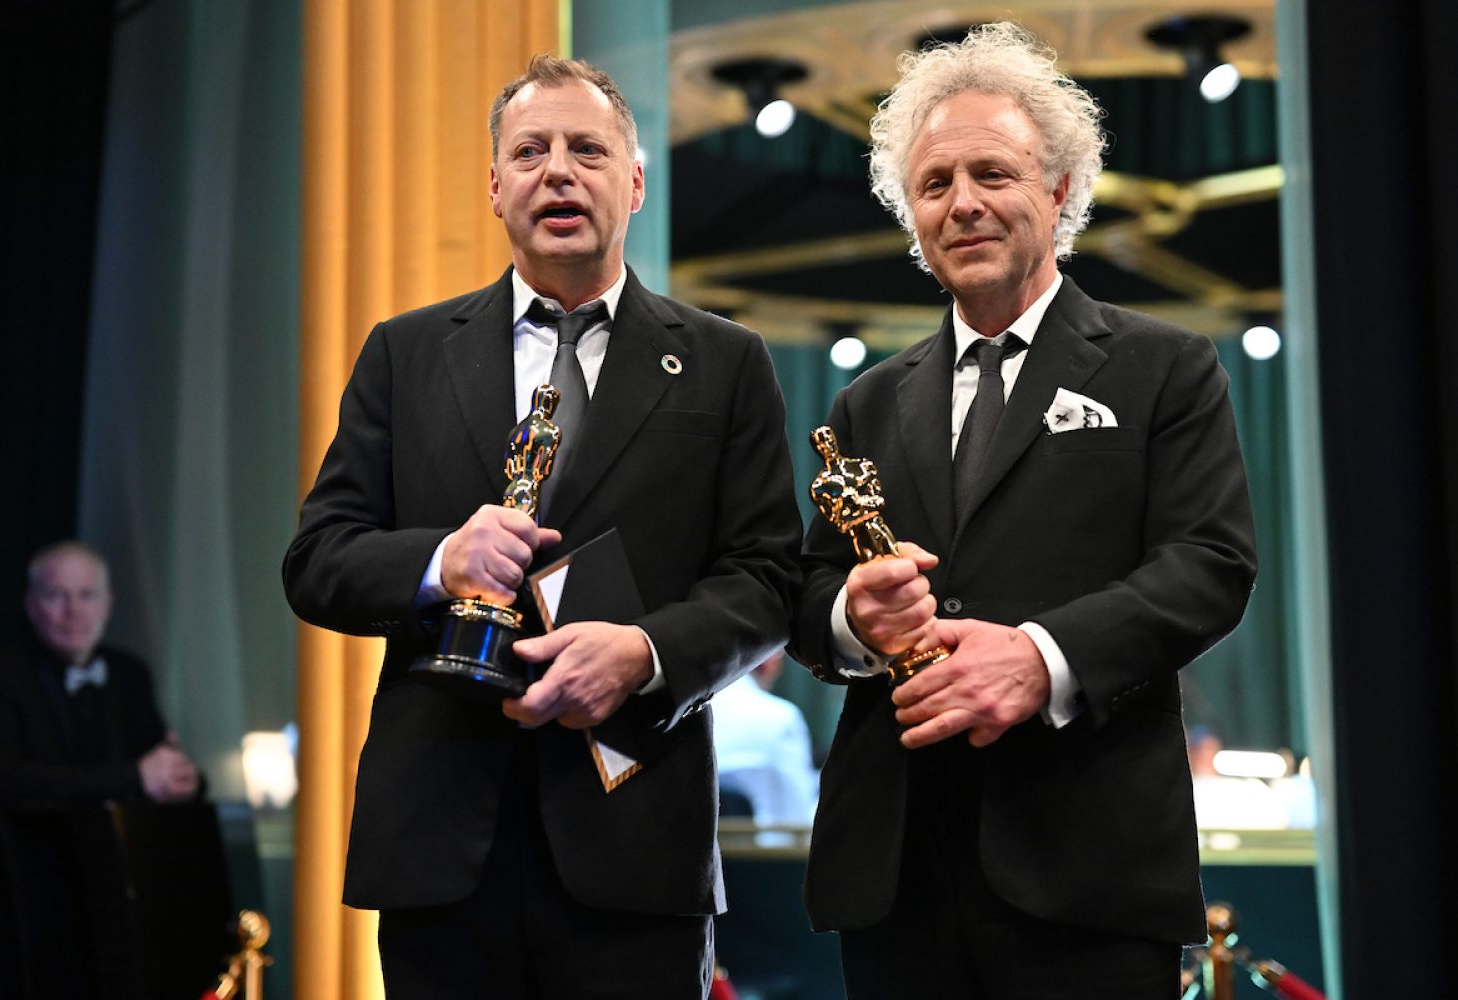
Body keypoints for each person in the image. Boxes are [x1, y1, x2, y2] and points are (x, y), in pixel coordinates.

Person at [282, 55, 802, 1000]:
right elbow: (318, 560)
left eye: (587, 151)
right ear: (494, 187)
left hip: (636, 838)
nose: (558, 171)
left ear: (633, 183)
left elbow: (768, 578)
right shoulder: (405, 353)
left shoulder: (726, 362)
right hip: (442, 845)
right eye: (530, 152)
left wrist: (644, 653)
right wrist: (442, 559)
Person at [790, 22, 1257, 1000]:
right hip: (896, 874)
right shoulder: (866, 401)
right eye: (933, 183)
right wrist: (850, 618)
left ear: (1059, 190)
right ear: (912, 215)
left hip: (1088, 870)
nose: (962, 202)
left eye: (992, 173)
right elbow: (810, 591)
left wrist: (1042, 658)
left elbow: (1209, 564)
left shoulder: (1165, 367)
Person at [0, 540, 202, 997]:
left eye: (86, 595)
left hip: (116, 891)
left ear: (107, 604)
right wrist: (135, 776)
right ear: (31, 606)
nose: (73, 611)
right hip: (26, 896)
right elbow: (2, 781)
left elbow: (160, 763)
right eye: (57, 596)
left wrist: (185, 780)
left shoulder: (129, 674)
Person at [711, 650, 819, 833]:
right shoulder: (781, 718)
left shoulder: (683, 712)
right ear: (770, 662)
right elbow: (798, 816)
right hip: (760, 849)